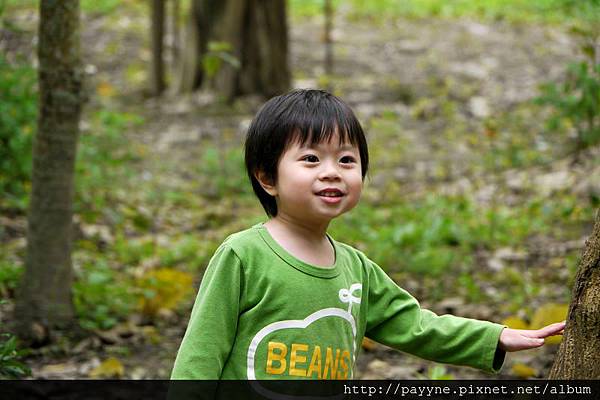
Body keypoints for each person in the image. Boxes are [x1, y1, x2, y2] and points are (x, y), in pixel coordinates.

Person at [171, 89, 564, 380]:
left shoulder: (356, 269)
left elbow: (414, 324)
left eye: (346, 159)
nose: (332, 171)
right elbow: (201, 354)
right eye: (310, 158)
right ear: (267, 177)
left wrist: (494, 337)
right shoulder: (243, 255)